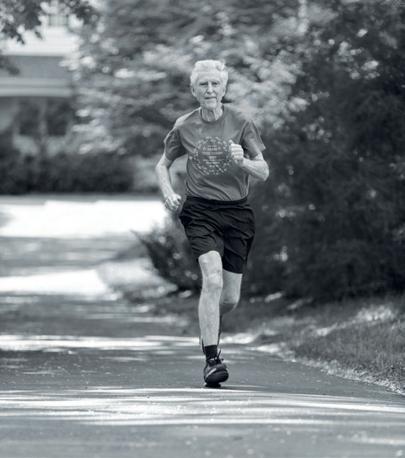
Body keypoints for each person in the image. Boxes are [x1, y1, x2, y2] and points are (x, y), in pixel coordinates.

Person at [155, 60, 269, 387]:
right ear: (194, 91)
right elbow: (163, 165)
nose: (209, 90)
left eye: (215, 84)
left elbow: (263, 171)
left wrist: (242, 161)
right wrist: (168, 192)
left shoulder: (241, 122)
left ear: (224, 88)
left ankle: (208, 326)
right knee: (212, 278)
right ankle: (212, 360)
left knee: (229, 299)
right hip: (200, 210)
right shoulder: (184, 126)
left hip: (237, 212)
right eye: (203, 85)